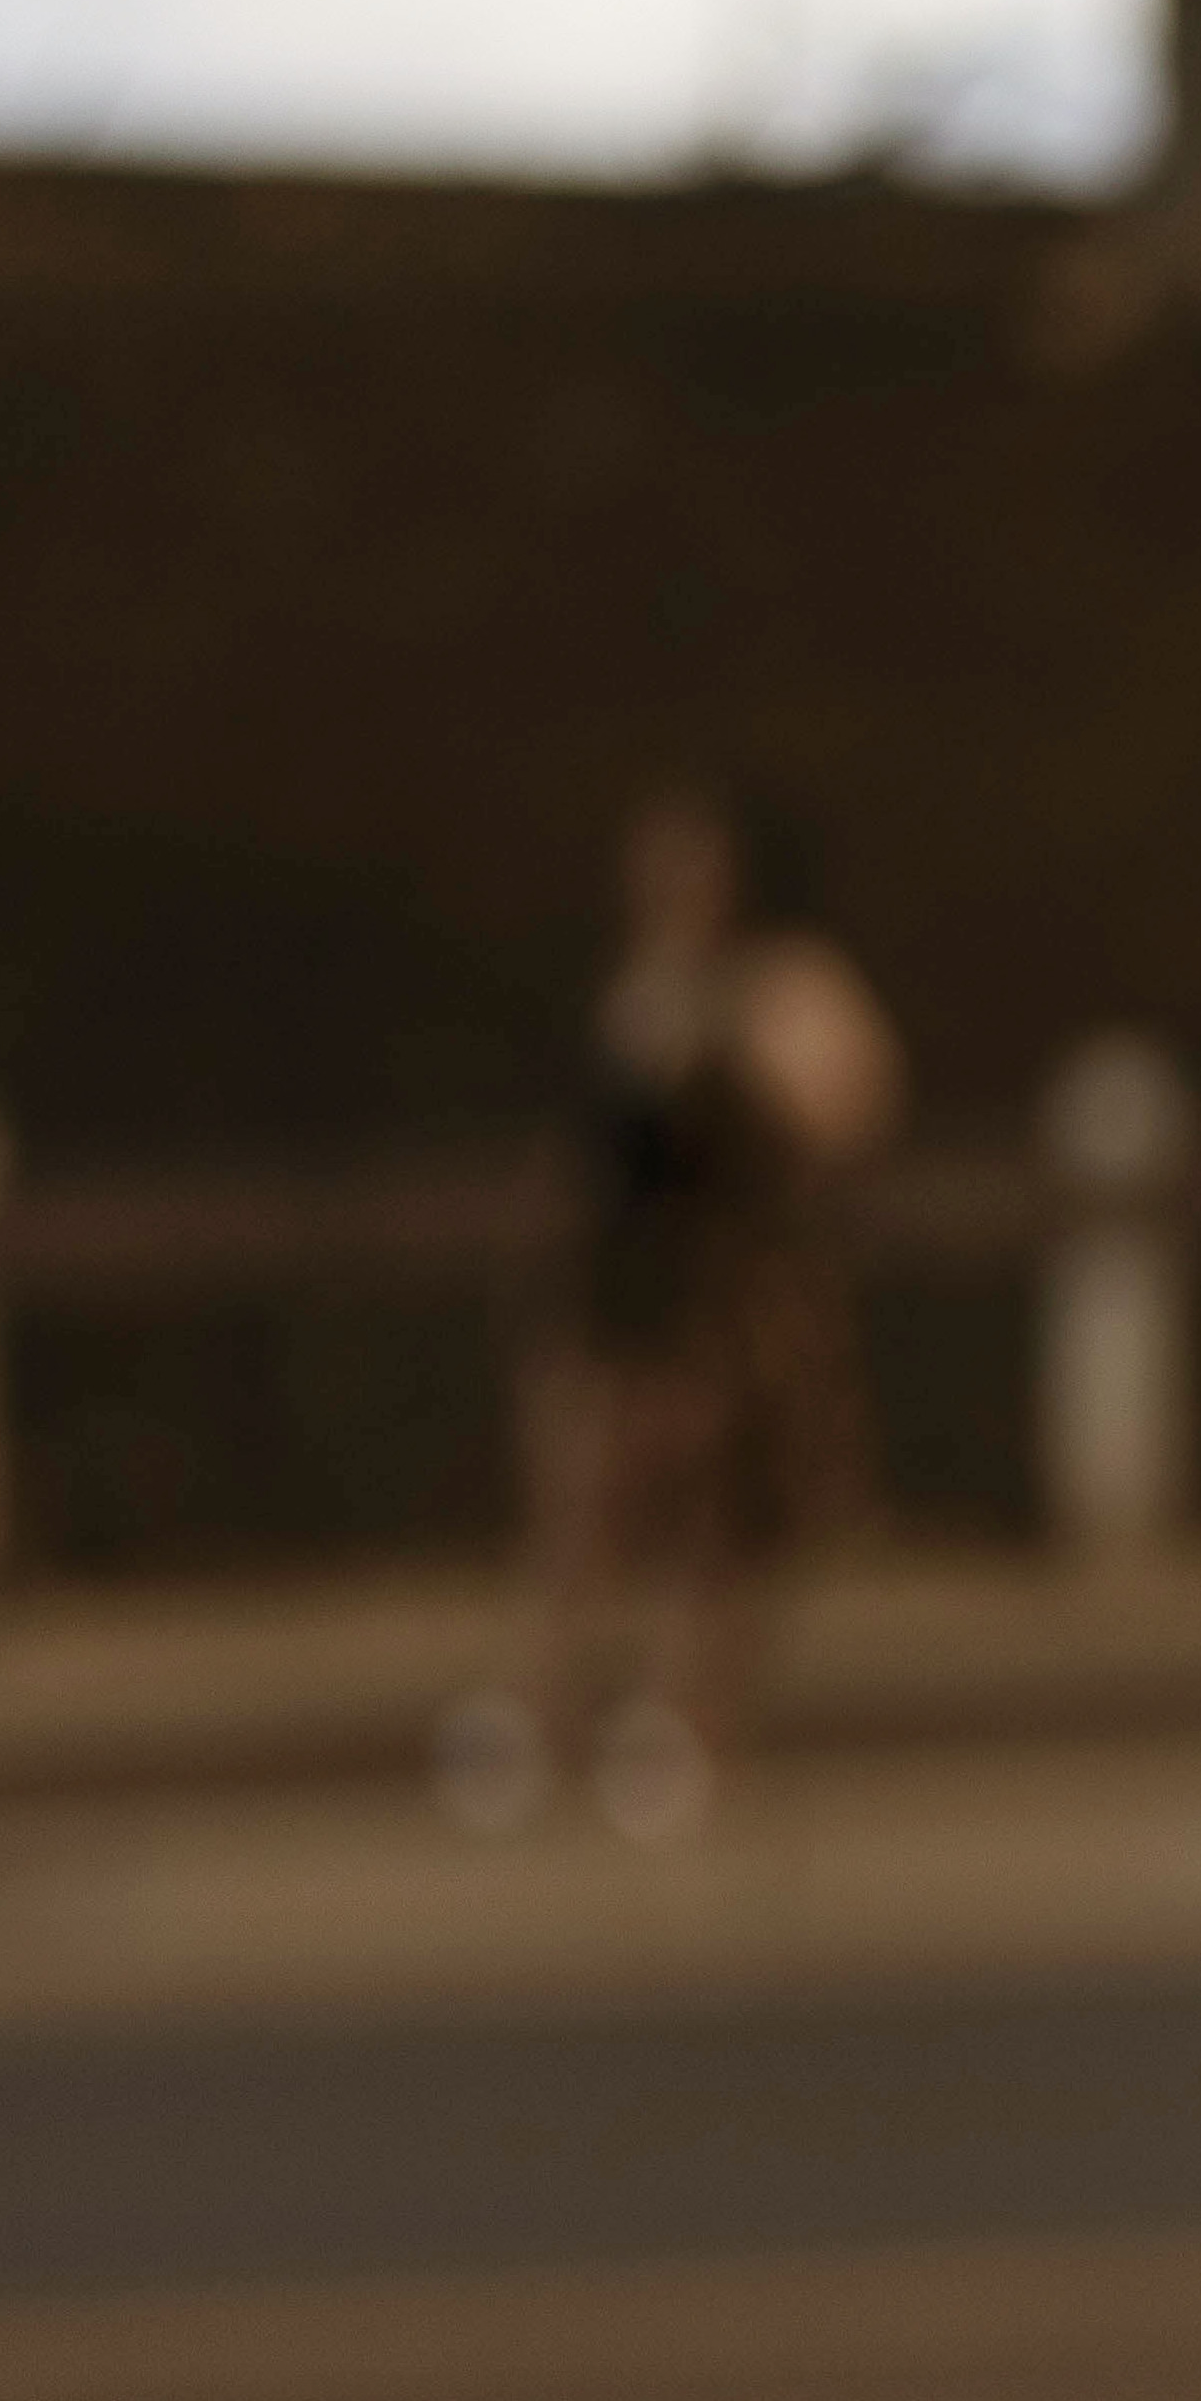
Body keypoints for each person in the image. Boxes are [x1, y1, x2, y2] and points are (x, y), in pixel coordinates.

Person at [440, 781, 900, 1841]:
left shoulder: (779, 988)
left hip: (732, 1290)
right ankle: (544, 1715)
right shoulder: (627, 992)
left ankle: (690, 1721)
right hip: (624, 1288)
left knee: (722, 1520)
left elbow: (847, 1111)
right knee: (580, 1506)